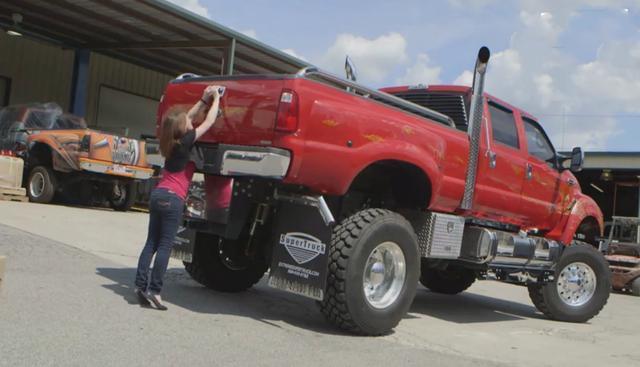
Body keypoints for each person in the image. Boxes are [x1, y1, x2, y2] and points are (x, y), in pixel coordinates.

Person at [134, 85, 223, 310]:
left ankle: (140, 286)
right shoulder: (187, 142)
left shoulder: (170, 142)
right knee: (165, 246)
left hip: (158, 195)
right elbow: (209, 122)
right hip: (172, 200)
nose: (190, 122)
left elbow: (186, 117)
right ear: (183, 130)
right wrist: (215, 99)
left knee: (150, 244)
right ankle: (155, 291)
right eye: (187, 123)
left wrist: (202, 100)